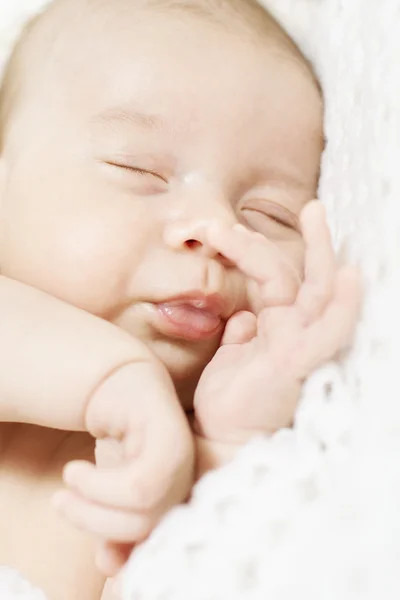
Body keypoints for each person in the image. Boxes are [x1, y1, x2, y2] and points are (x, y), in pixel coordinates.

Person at [0, 0, 361, 598]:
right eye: (137, 169)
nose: (215, 229)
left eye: (266, 214)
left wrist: (231, 444)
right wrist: (112, 381)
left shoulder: (182, 466)